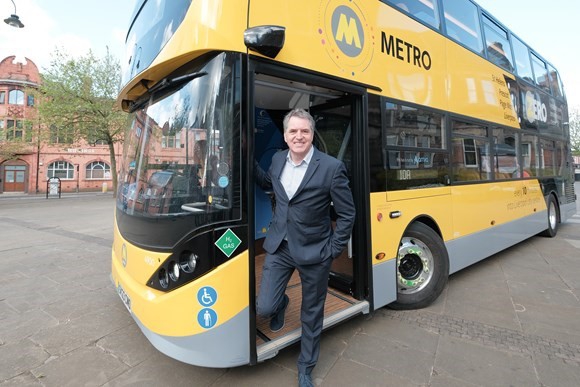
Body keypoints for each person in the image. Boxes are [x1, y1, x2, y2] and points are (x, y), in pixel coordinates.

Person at [255, 108, 355, 387]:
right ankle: (281, 304)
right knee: (264, 306)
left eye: (305, 131)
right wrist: (245, 159)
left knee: (311, 314)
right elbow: (270, 184)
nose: (299, 136)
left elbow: (347, 214)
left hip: (315, 251)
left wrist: (333, 249)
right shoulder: (276, 159)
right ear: (285, 136)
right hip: (279, 246)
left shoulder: (331, 167)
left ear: (312, 134)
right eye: (293, 131)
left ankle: (306, 367)